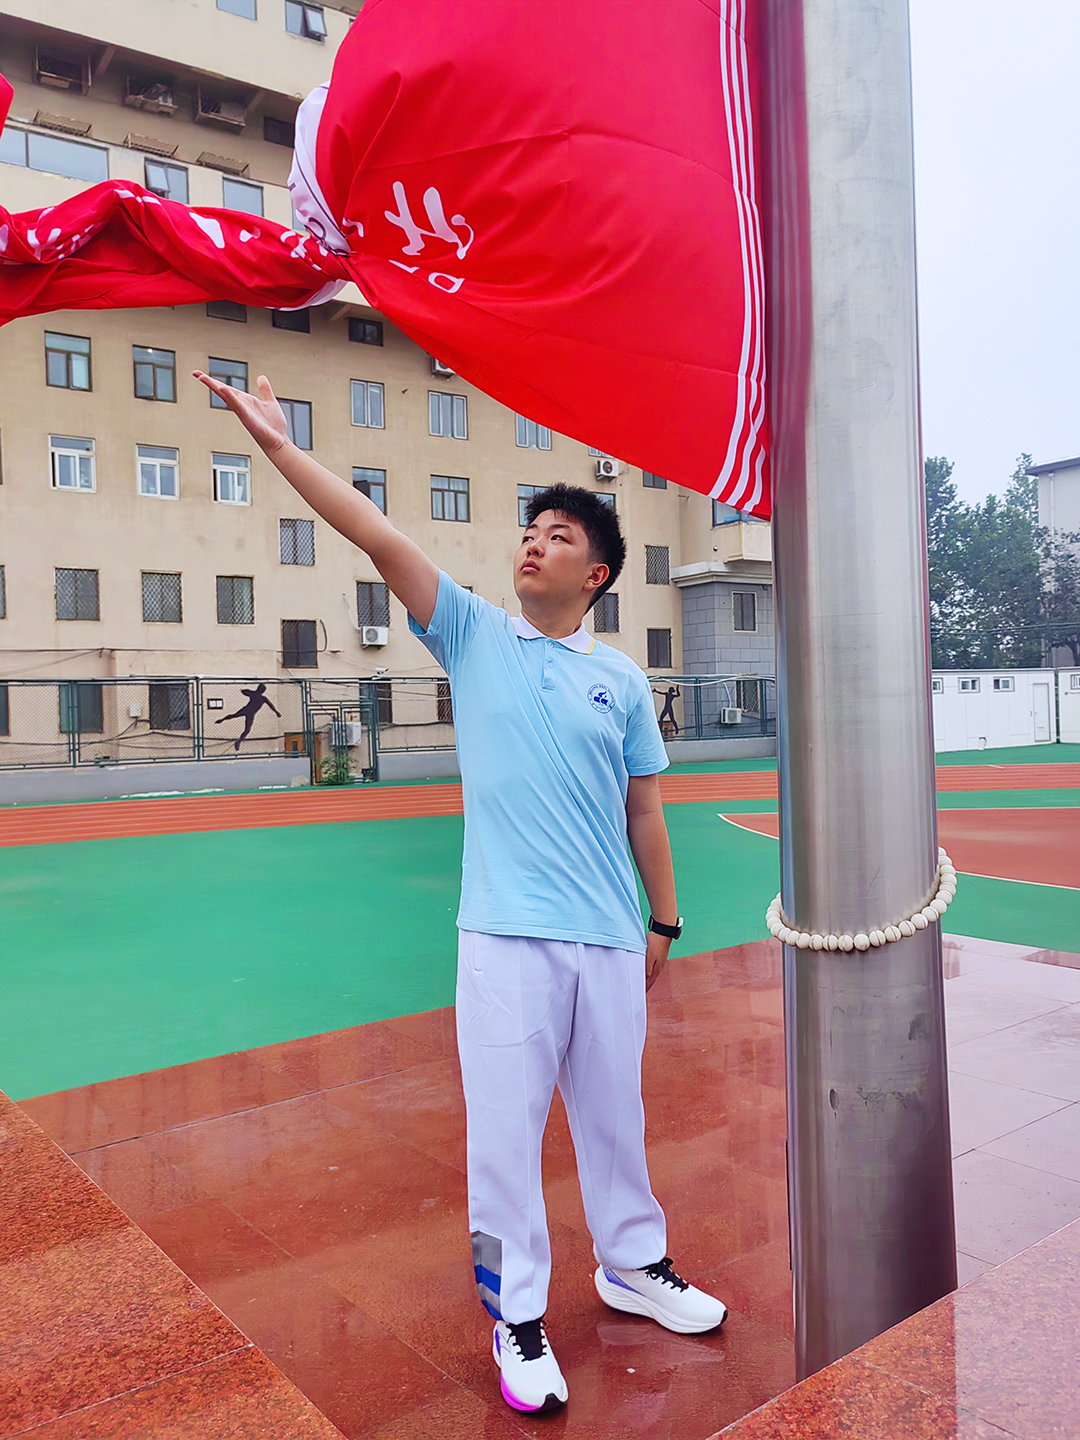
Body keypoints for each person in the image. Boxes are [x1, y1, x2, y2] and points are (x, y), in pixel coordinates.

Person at [194, 370, 727, 1415]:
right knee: (506, 1136)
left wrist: (662, 921)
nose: (533, 543)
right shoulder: (474, 633)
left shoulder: (621, 681)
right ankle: (517, 1316)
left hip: (608, 938)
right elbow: (376, 535)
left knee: (616, 1119)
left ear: (596, 572)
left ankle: (633, 1266)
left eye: (558, 536)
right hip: (504, 937)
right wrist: (280, 448)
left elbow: (646, 812)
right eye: (529, 530)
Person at [215, 683, 282, 751]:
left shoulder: (261, 697)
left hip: (249, 712)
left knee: (246, 727)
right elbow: (244, 691)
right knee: (237, 718)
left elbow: (271, 705)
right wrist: (276, 712)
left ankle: (238, 741)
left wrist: (276, 712)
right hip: (248, 710)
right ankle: (224, 722)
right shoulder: (256, 695)